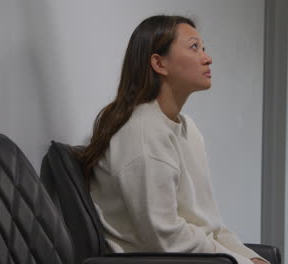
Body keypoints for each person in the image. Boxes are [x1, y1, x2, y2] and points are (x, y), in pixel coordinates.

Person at [79, 15, 269, 264]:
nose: (207, 58)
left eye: (204, 48)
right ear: (159, 64)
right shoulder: (142, 133)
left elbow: (210, 223)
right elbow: (165, 238)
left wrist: (252, 259)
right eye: (194, 47)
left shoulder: (189, 130)